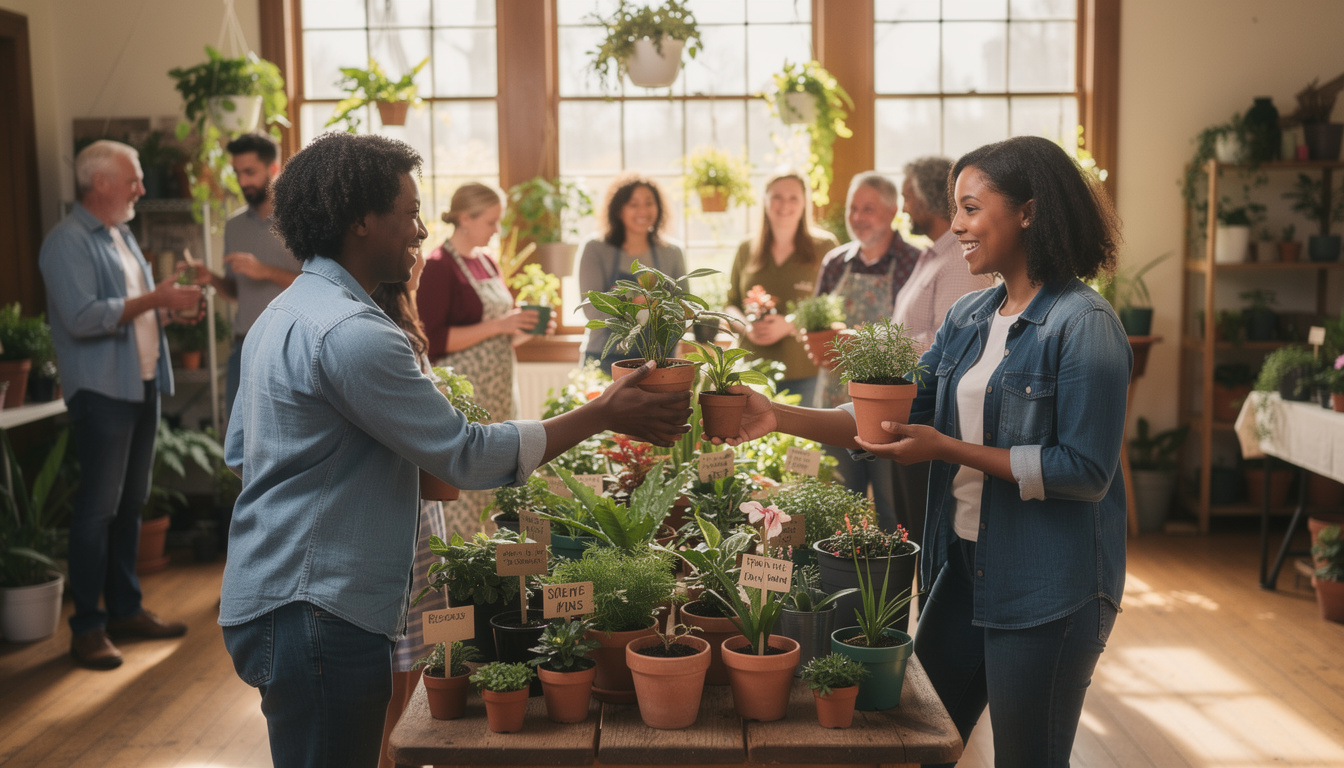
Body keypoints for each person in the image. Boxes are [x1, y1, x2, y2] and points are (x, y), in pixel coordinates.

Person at [219, 131, 689, 768]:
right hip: (318, 608)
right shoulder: (355, 335)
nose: (419, 230)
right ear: (360, 221)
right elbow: (465, 455)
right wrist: (603, 412)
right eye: (409, 211)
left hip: (272, 593)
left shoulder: (282, 314)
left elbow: (243, 454)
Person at [715, 135, 1128, 767]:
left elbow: (1086, 471)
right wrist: (777, 417)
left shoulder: (1083, 323)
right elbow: (889, 416)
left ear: (1029, 211)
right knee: (914, 746)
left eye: (970, 208)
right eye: (955, 208)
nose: (956, 226)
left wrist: (948, 449)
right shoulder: (969, 316)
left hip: (1048, 585)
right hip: (962, 568)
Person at [39, 140, 202, 670]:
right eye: (132, 179)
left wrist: (172, 310)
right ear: (100, 183)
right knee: (97, 511)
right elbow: (83, 317)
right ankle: (87, 627)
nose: (141, 188)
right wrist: (156, 299)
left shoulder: (121, 235)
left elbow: (134, 313)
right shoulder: (65, 242)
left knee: (131, 504)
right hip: (103, 393)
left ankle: (126, 609)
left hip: (143, 383)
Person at [415, 182, 551, 535]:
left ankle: (495, 551)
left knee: (498, 466)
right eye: (491, 222)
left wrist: (526, 329)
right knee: (470, 465)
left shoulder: (487, 262)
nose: (496, 230)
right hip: (469, 389)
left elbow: (500, 339)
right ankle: (463, 554)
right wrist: (500, 324)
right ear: (465, 218)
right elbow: (433, 340)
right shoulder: (439, 266)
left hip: (500, 387)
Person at [885, 157, 995, 547]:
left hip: (931, 414)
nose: (905, 207)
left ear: (928, 198)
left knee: (923, 533)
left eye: (908, 197)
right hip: (912, 404)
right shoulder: (933, 255)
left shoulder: (959, 262)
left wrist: (879, 344)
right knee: (910, 529)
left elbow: (947, 346)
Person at [368, 247, 446, 768]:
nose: (420, 251)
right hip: (402, 511)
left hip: (421, 508)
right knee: (399, 662)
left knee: (417, 650)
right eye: (413, 246)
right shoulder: (381, 334)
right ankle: (390, 757)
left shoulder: (403, 319)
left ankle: (405, 753)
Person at [812, 172, 922, 533]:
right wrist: (816, 342)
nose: (858, 216)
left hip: (889, 406)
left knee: (892, 512)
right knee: (842, 507)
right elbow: (816, 327)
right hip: (835, 398)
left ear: (892, 212)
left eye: (868, 209)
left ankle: (892, 590)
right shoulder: (835, 262)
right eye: (853, 208)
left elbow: (918, 339)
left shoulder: (914, 263)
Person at [188, 133, 299, 413]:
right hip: (243, 349)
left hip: (288, 349)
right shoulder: (234, 226)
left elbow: (319, 285)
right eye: (238, 173)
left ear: (274, 169)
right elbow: (236, 293)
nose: (243, 181)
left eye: (250, 172)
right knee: (239, 446)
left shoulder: (299, 221)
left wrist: (265, 271)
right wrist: (211, 278)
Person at [724, 171, 837, 405]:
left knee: (801, 440)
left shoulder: (825, 246)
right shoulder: (746, 248)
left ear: (805, 203)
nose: (785, 204)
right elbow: (730, 304)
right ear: (765, 201)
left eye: (793, 197)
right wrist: (745, 326)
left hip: (805, 371)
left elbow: (835, 306)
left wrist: (790, 324)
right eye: (777, 197)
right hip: (752, 370)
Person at [578, 173, 686, 373]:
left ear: (659, 208)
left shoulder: (672, 253)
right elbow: (591, 310)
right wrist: (638, 305)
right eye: (633, 204)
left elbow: (683, 309)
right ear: (618, 209)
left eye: (649, 203)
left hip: (660, 361)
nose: (642, 210)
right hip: (605, 358)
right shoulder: (596, 249)